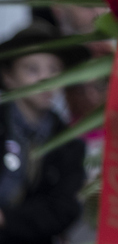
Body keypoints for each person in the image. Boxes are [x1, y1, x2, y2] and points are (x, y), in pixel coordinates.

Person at [0, 22, 86, 243]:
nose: (46, 79)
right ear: (8, 77)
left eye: (54, 69)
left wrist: (6, 219)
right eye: (32, 69)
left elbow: (64, 208)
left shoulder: (69, 144)